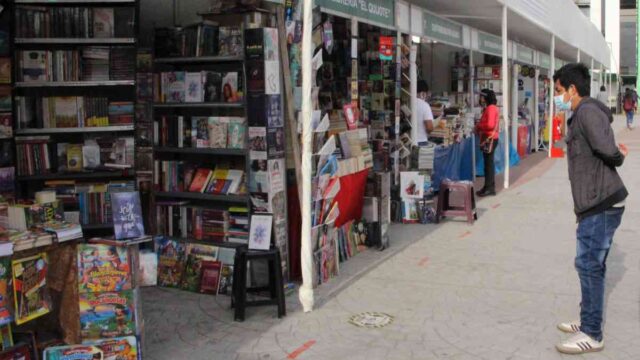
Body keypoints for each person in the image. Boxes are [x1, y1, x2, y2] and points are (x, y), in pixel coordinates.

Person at [552, 63, 628, 355]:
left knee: (588, 265)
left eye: (559, 91)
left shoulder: (587, 113)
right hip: (595, 201)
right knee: (590, 265)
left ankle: (592, 333)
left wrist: (617, 155)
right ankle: (587, 320)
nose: (557, 96)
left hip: (601, 201)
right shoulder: (580, 113)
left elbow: (609, 150)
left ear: (572, 89)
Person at [475, 89, 500, 197]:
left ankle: (489, 187)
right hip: (491, 138)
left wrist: (479, 126)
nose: (480, 99)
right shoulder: (493, 108)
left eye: (481, 97)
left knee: (488, 164)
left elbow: (489, 125)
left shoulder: (490, 109)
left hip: (489, 138)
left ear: (485, 98)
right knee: (488, 163)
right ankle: (488, 186)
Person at [415, 80, 434, 146]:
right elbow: (429, 127)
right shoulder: (425, 105)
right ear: (423, 93)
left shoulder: (408, 103)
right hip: (421, 141)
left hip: (409, 140)